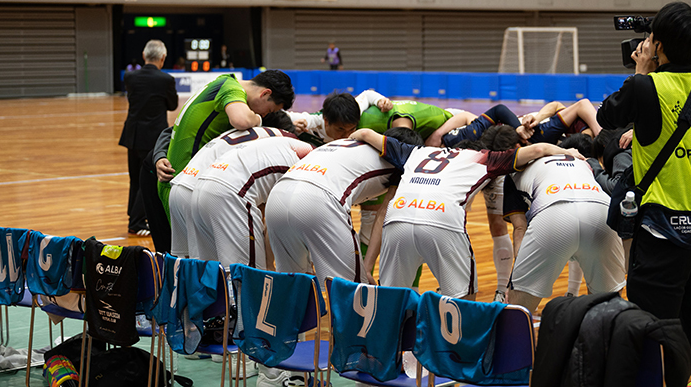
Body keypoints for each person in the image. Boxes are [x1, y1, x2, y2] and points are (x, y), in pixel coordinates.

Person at [597, 1, 691, 387]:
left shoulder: (645, 86)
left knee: (651, 333)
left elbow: (607, 117)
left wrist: (640, 71)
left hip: (662, 232)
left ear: (659, 46)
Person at [349, 126, 579, 299]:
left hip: (397, 218)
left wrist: (345, 143)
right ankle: (454, 348)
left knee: (391, 299)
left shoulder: (418, 151)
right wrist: (567, 151)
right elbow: (538, 149)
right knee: (463, 298)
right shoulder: (485, 157)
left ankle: (386, 348)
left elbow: (365, 134)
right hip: (441, 218)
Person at [140, 70, 295, 252]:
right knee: (187, 257)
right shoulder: (231, 88)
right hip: (180, 183)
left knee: (189, 257)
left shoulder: (223, 85)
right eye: (268, 110)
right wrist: (258, 119)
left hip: (182, 182)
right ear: (265, 93)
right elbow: (242, 120)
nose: (264, 115)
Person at [265, 126, 423, 287]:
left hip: (277, 197)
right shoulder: (402, 159)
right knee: (350, 290)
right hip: (319, 199)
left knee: (293, 285)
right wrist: (367, 267)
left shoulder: (343, 145)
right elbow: (383, 214)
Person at [503, 132, 625, 313]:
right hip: (601, 211)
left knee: (517, 311)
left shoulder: (514, 171)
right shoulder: (583, 161)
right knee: (607, 309)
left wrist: (517, 279)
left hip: (553, 213)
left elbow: (520, 228)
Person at [187, 136, 312, 268]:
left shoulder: (282, 145)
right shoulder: (303, 167)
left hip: (201, 185)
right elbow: (279, 221)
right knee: (246, 273)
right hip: (230, 190)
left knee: (210, 271)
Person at [119, 40, 177, 236]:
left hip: (132, 135)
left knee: (135, 178)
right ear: (163, 58)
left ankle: (133, 215)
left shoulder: (130, 77)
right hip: (152, 136)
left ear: (144, 56)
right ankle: (136, 222)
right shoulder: (166, 79)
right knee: (148, 180)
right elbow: (172, 104)